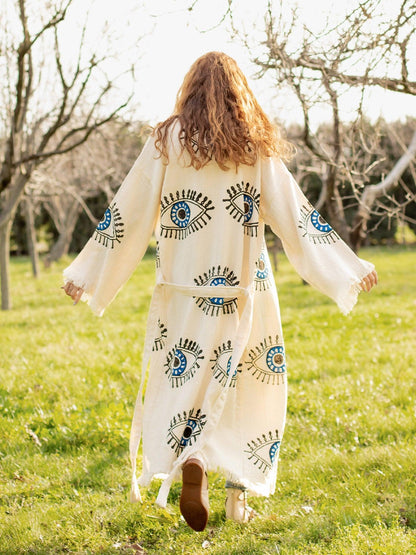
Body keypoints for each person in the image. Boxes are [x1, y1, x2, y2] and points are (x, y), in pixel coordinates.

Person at [62, 51, 378, 532]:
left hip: (183, 292)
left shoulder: (166, 141)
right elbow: (297, 217)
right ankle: (236, 499)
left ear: (189, 89)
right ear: (239, 92)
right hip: (244, 289)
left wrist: (85, 275)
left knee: (186, 380)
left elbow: (127, 213)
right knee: (248, 387)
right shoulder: (255, 144)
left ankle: (191, 457)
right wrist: (348, 268)